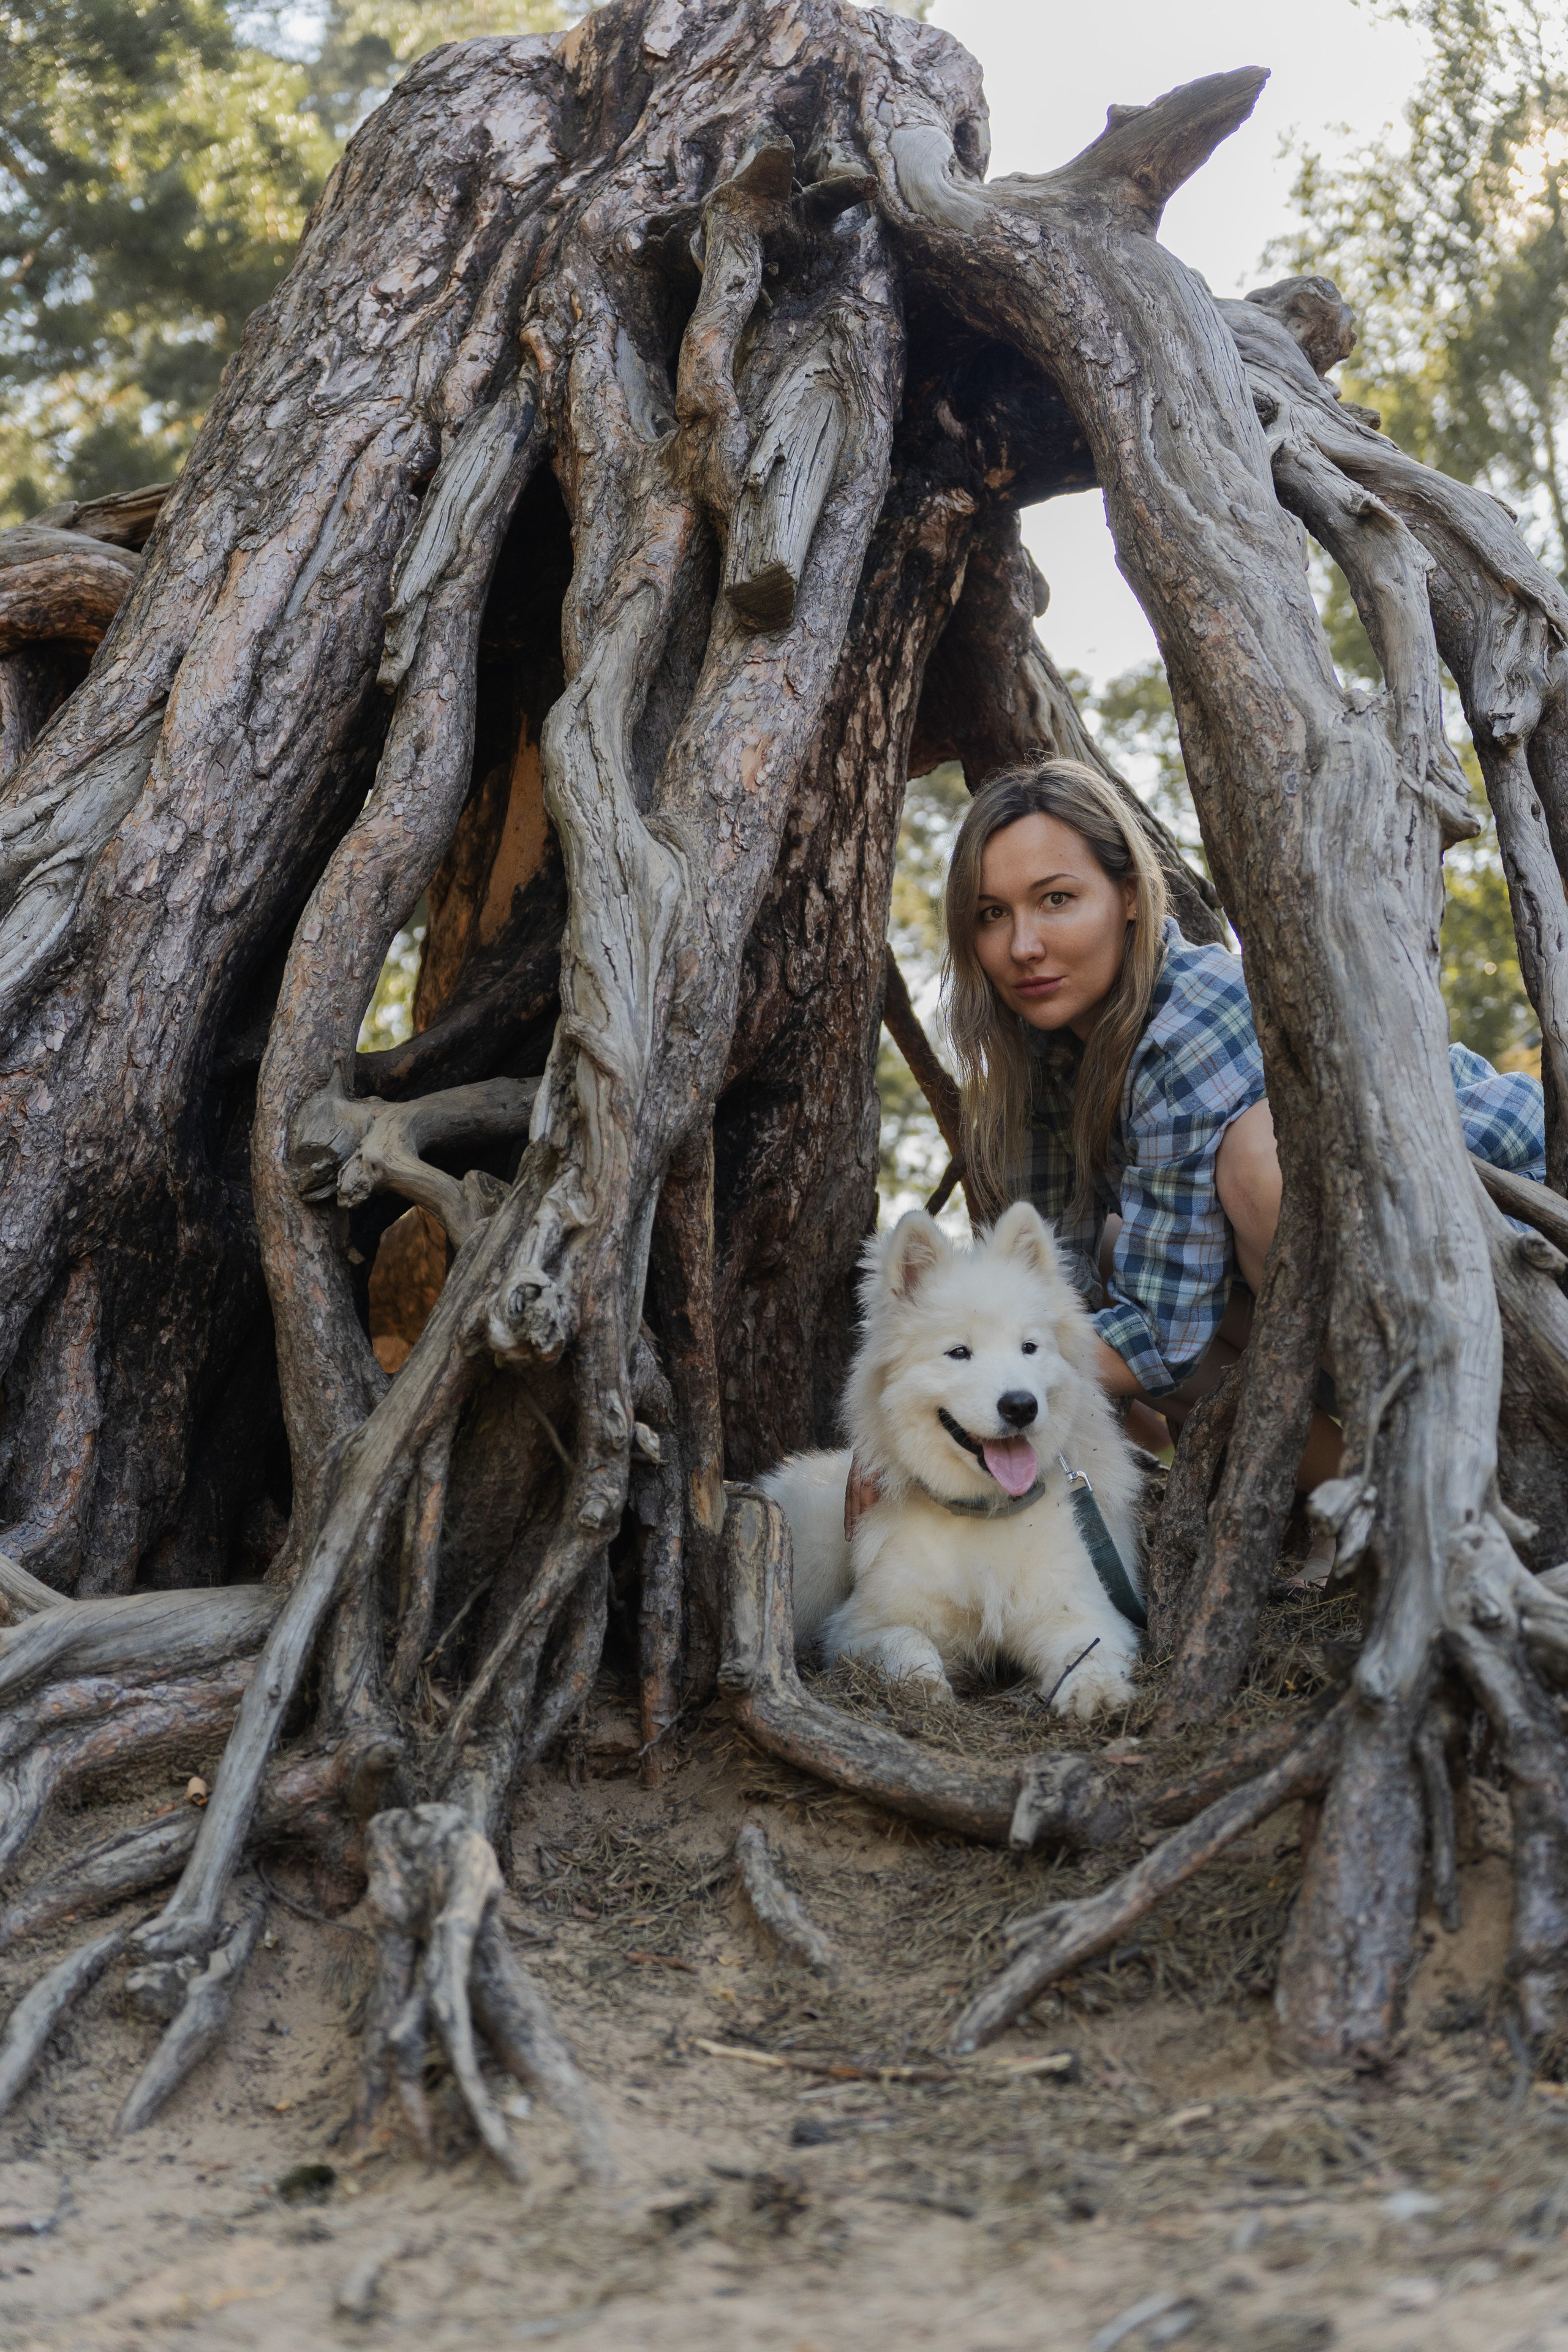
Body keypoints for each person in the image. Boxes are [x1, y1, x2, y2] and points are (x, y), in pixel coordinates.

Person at [848, 760, 1547, 1531]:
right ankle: (1378, 1501)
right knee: (1106, 1270)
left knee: (1260, 1159)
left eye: (1056, 900)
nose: (1023, 945)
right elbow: (1055, 1291)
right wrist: (933, 1410)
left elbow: (1156, 1338)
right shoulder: (1030, 1063)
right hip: (1339, 1298)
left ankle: (1468, 1458)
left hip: (1497, 1236)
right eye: (990, 914)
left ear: (1130, 901)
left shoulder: (1192, 1019)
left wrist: (929, 1399)